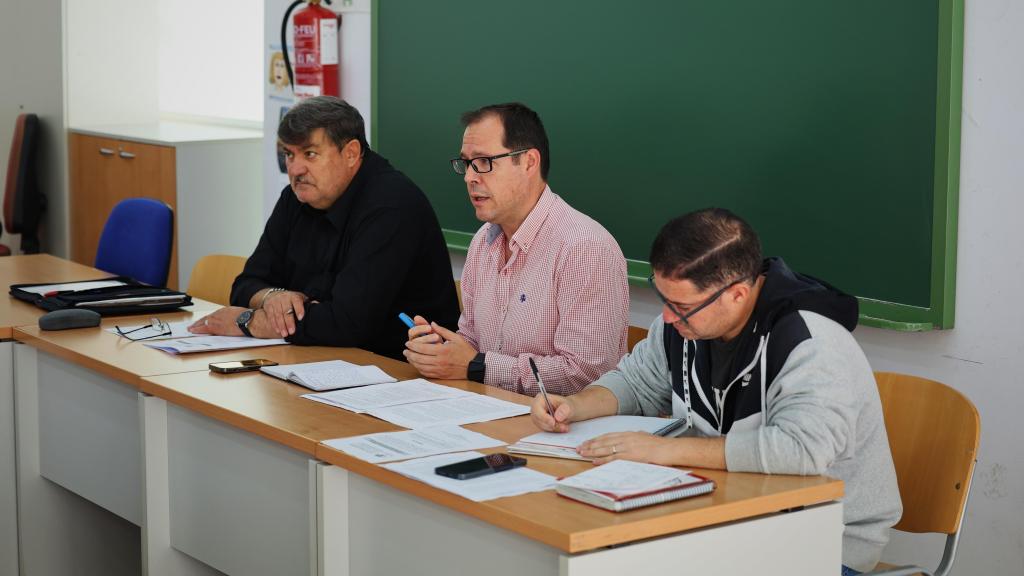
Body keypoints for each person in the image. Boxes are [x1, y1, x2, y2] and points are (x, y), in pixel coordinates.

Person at [530, 208, 901, 574]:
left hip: (823, 542)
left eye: (682, 306)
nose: (669, 318)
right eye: (665, 301)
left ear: (737, 294)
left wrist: (665, 450)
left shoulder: (810, 344)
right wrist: (576, 405)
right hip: (722, 519)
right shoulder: (685, 327)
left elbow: (802, 449)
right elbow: (636, 381)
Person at [189, 96, 460, 360]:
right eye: (289, 154)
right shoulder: (296, 197)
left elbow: (347, 323)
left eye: (310, 154)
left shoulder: (392, 206)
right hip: (316, 360)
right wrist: (274, 297)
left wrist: (246, 320)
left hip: (397, 371)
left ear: (351, 153)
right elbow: (245, 285)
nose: (294, 169)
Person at [403, 103, 629, 395]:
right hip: (488, 412)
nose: (469, 177)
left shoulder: (585, 248)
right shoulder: (482, 242)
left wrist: (478, 367)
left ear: (529, 162)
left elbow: (585, 374)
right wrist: (441, 351)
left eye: (484, 161)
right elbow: (472, 342)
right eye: (466, 163)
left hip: (565, 428)